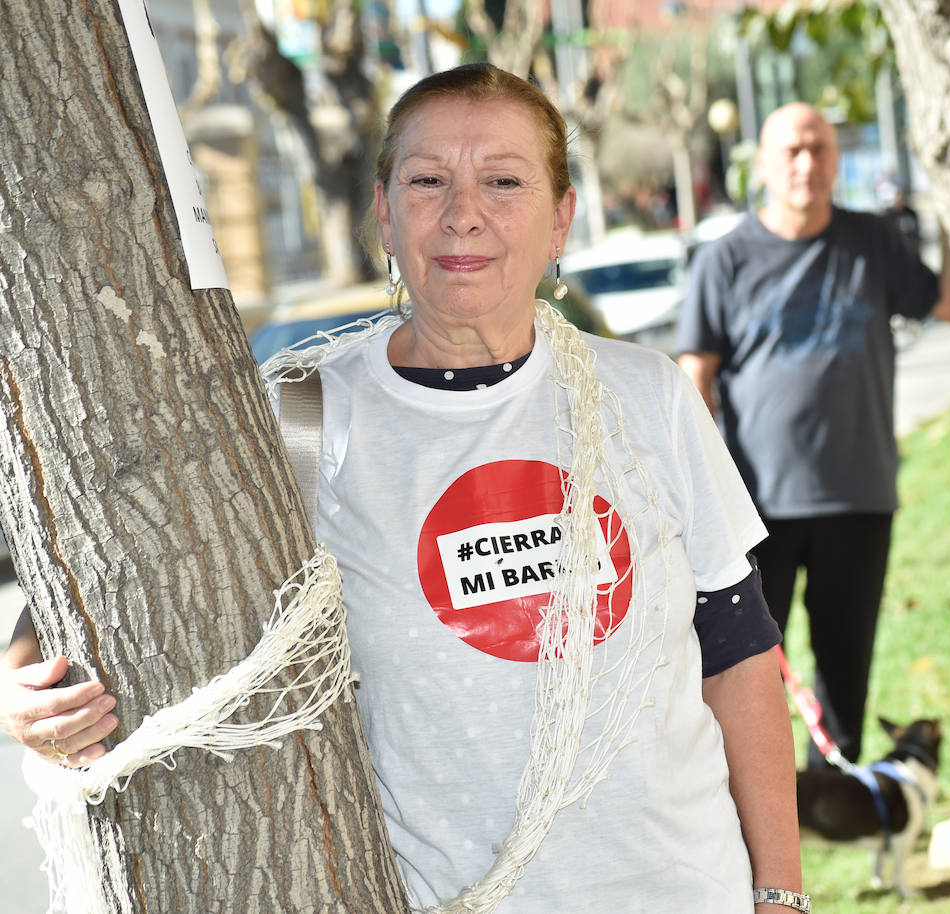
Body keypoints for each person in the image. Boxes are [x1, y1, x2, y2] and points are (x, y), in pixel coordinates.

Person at [1, 64, 807, 913]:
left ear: (561, 217)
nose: (464, 212)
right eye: (428, 181)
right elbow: (91, 591)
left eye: (503, 180)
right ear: (385, 214)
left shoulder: (649, 395)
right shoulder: (303, 419)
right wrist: (21, 693)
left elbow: (740, 655)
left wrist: (779, 893)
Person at [676, 102, 950, 770]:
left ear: (837, 160)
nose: (807, 163)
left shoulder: (871, 240)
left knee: (845, 666)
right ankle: (748, 798)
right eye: (792, 151)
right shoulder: (725, 260)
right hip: (754, 510)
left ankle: (831, 801)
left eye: (820, 150)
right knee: (745, 668)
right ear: (764, 163)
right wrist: (704, 492)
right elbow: (696, 380)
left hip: (858, 495)